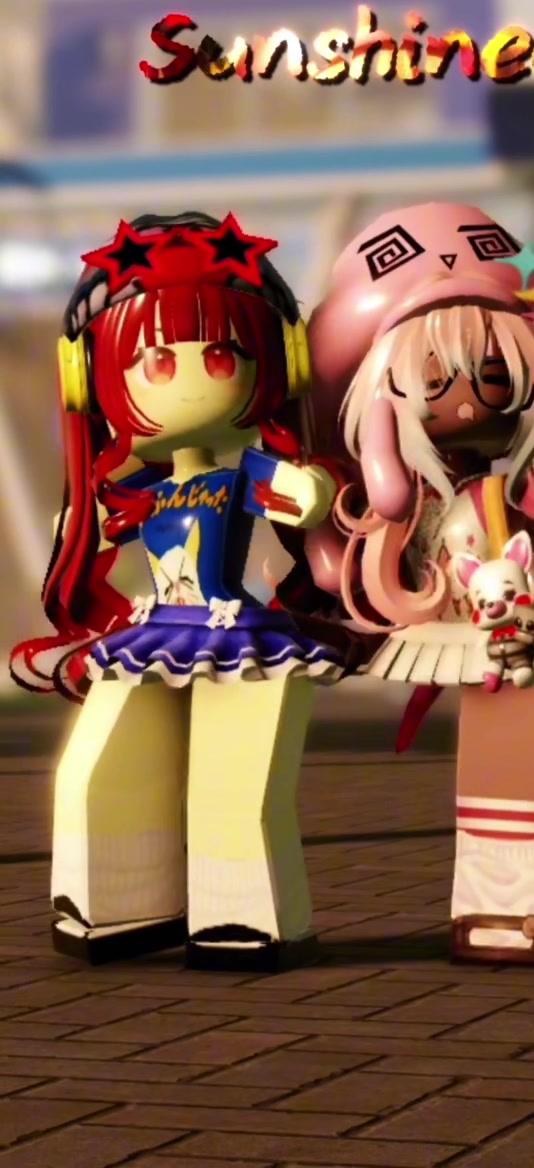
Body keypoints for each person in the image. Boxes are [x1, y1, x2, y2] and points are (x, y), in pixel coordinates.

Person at [283, 200, 534, 965]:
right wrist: (380, 452)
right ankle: (496, 909)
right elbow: (380, 504)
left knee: (518, 762)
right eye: (434, 381)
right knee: (496, 757)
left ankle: (518, 910)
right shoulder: (412, 503)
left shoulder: (531, 492)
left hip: (522, 631)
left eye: (494, 372)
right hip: (455, 622)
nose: (469, 399)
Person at [10, 209, 351, 971]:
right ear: (91, 377)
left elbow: (303, 497)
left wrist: (310, 488)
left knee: (233, 784)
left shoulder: (250, 473)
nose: (189, 379)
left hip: (238, 634)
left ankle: (241, 916)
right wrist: (88, 523)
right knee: (97, 771)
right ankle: (115, 902)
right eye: (156, 361)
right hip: (156, 628)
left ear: (279, 364)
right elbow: (96, 527)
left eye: (221, 355)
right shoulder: (144, 491)